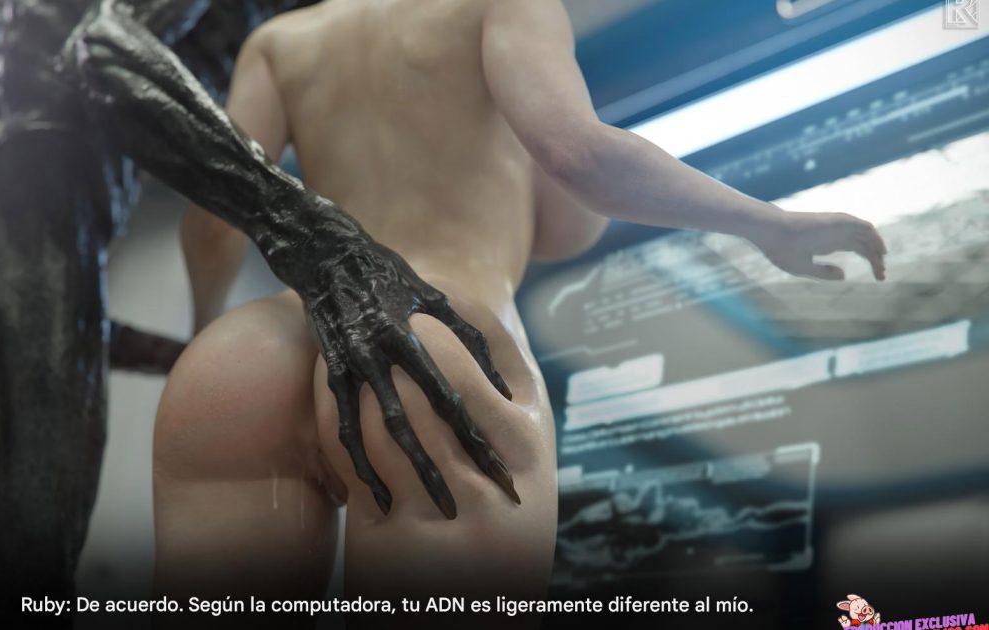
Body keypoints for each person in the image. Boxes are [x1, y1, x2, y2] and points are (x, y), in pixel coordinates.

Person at [156, 0, 887, 621]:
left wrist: (205, 340)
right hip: (434, 330)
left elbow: (214, 216)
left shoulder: (279, 41)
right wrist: (766, 223)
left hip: (257, 345)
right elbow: (578, 157)